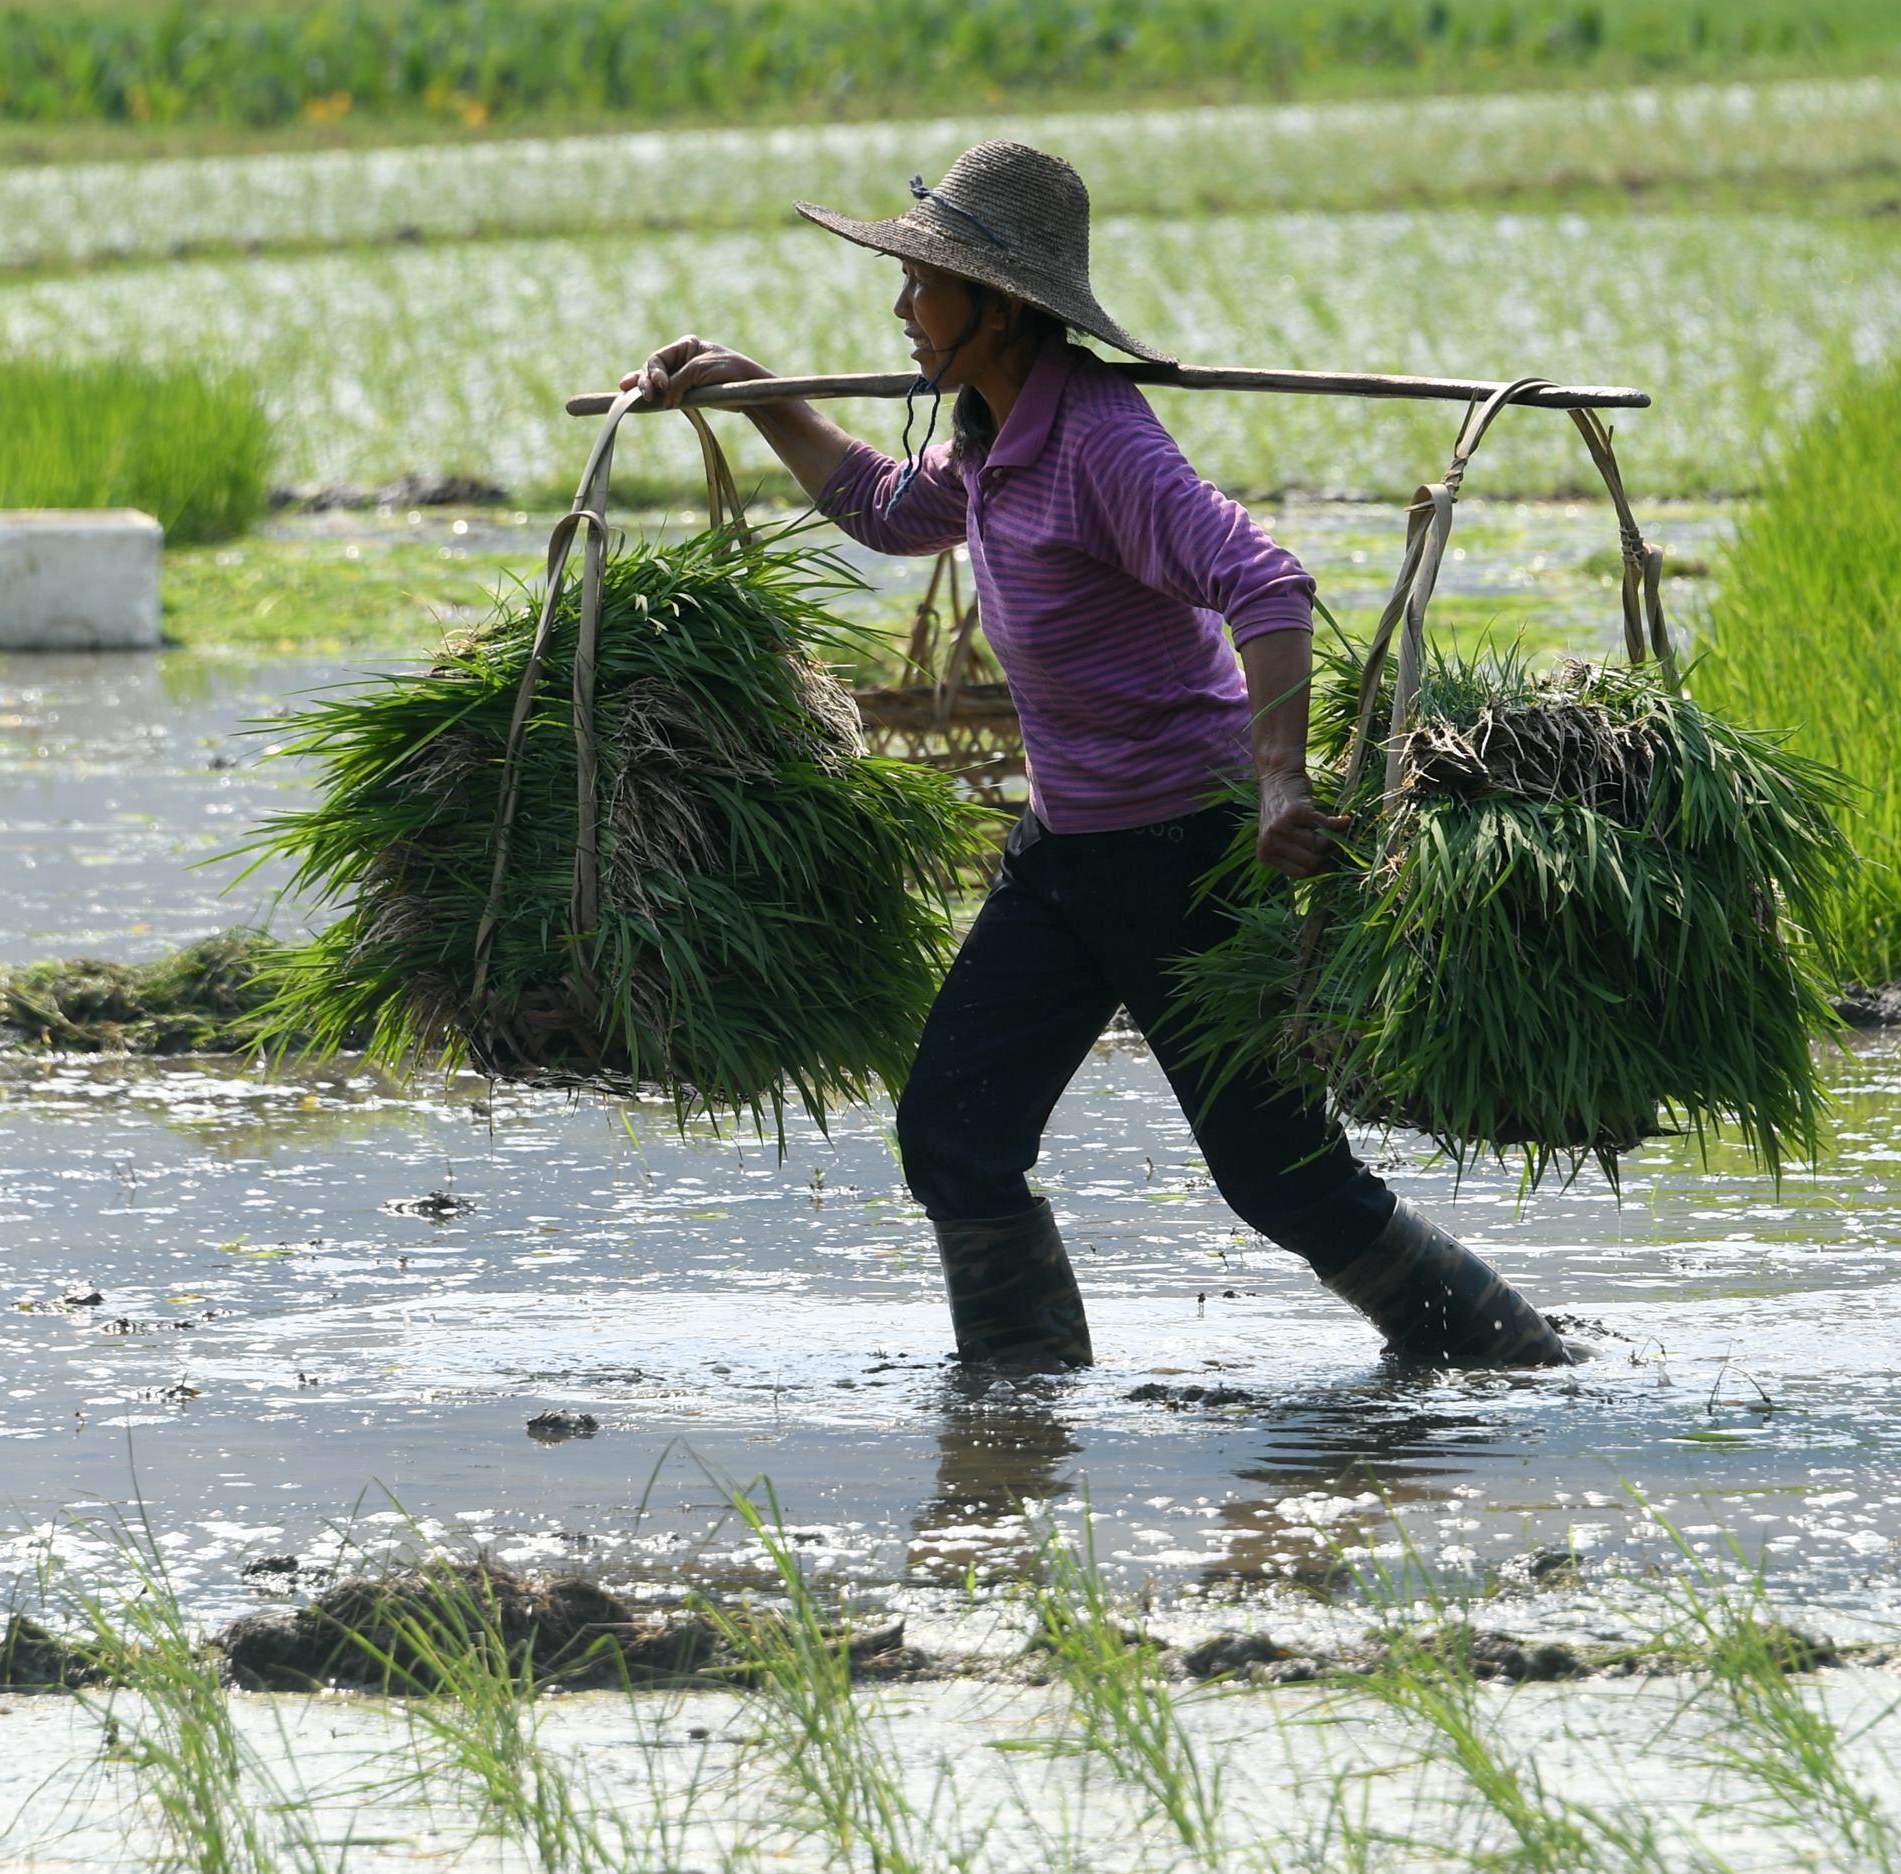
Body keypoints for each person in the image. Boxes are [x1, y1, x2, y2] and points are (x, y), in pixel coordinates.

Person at [624, 141, 1570, 1372]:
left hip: (1183, 854)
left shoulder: (1102, 447)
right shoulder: (996, 438)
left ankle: (1508, 1357)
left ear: (1000, 304)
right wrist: (763, 398)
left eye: (924, 285)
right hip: (1065, 852)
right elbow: (887, 509)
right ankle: (1018, 1407)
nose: (901, 309)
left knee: (1284, 1181)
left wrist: (1283, 780)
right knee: (955, 1133)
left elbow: (1267, 583)